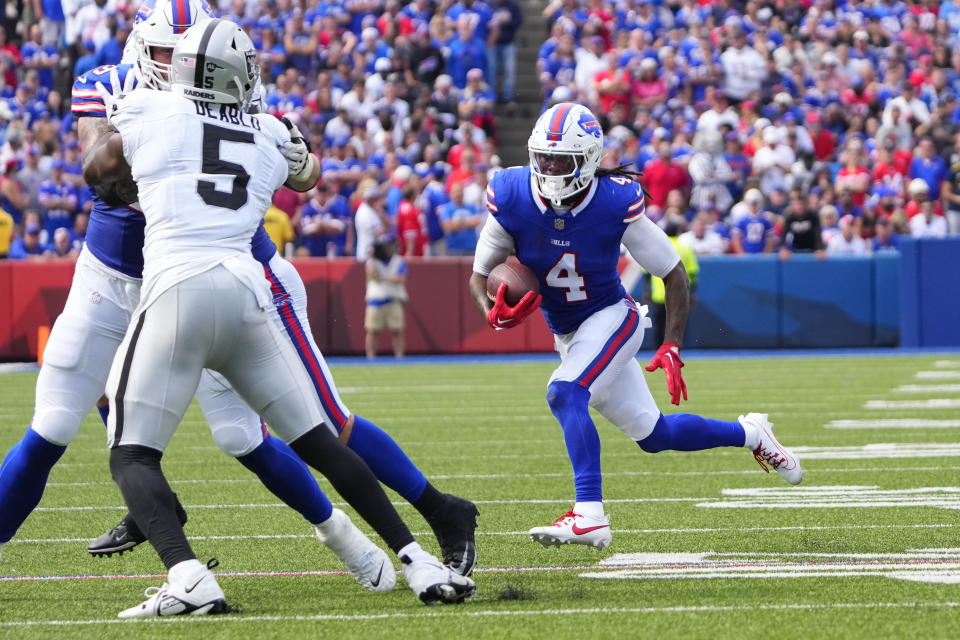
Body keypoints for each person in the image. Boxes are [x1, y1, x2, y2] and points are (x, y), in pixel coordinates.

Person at [84, 18, 474, 615]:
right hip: (247, 291)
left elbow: (97, 170)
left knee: (132, 451)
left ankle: (187, 576)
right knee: (318, 437)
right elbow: (308, 175)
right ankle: (417, 561)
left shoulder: (144, 110)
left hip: (179, 288)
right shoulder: (267, 130)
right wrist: (291, 145)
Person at [468, 103, 803, 550]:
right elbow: (479, 276)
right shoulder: (511, 193)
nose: (548, 169)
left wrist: (672, 344)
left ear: (588, 159)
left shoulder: (612, 202)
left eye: (560, 159)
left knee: (565, 392)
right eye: (542, 158)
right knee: (655, 435)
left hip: (612, 318)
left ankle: (589, 516)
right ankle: (752, 434)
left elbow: (673, 272)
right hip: (569, 335)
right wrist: (491, 307)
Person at [364, 234, 408, 359]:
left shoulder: (398, 260)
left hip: (393, 299)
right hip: (376, 300)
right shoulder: (372, 261)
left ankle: (399, 357)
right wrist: (372, 257)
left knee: (397, 330)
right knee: (372, 331)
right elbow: (371, 276)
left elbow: (401, 278)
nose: (387, 248)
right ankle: (370, 357)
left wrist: (383, 279)